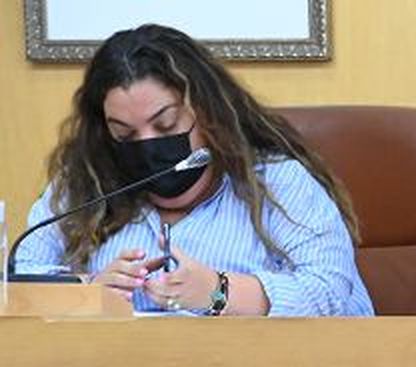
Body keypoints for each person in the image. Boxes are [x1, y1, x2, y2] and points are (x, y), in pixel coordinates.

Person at [12, 23, 373, 317]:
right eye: (125, 134)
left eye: (166, 124)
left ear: (209, 114)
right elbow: (19, 283)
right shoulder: (83, 185)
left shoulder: (277, 182)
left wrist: (219, 292)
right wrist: (89, 292)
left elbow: (332, 293)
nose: (148, 144)